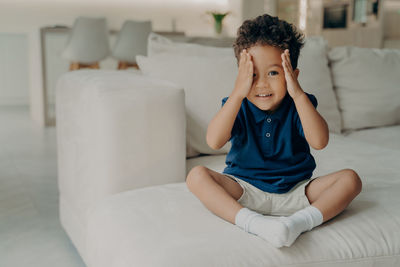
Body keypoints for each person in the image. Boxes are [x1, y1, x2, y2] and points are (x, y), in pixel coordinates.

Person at [186, 14, 363, 248]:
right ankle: (255, 223)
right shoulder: (237, 104)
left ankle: (298, 223)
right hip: (244, 188)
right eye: (252, 74)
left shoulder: (301, 103)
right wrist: (238, 93)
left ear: (292, 75)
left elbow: (319, 141)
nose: (261, 84)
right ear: (240, 76)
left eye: (273, 73)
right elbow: (214, 141)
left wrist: (298, 94)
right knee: (196, 176)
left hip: (297, 191)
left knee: (351, 179)